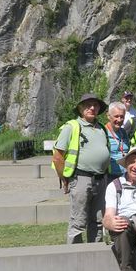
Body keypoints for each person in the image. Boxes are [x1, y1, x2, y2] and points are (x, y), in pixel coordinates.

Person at [52, 93, 110, 244]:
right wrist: (65, 179)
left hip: (100, 179)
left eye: (95, 105)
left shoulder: (102, 128)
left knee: (98, 221)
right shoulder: (71, 127)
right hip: (80, 179)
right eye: (88, 105)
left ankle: (94, 254)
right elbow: (58, 156)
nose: (92, 108)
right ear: (80, 108)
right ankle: (73, 257)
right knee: (78, 222)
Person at [106, 101, 131, 182]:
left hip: (125, 175)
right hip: (109, 176)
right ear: (108, 116)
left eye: (122, 117)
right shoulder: (103, 132)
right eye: (116, 116)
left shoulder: (123, 132)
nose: (119, 120)